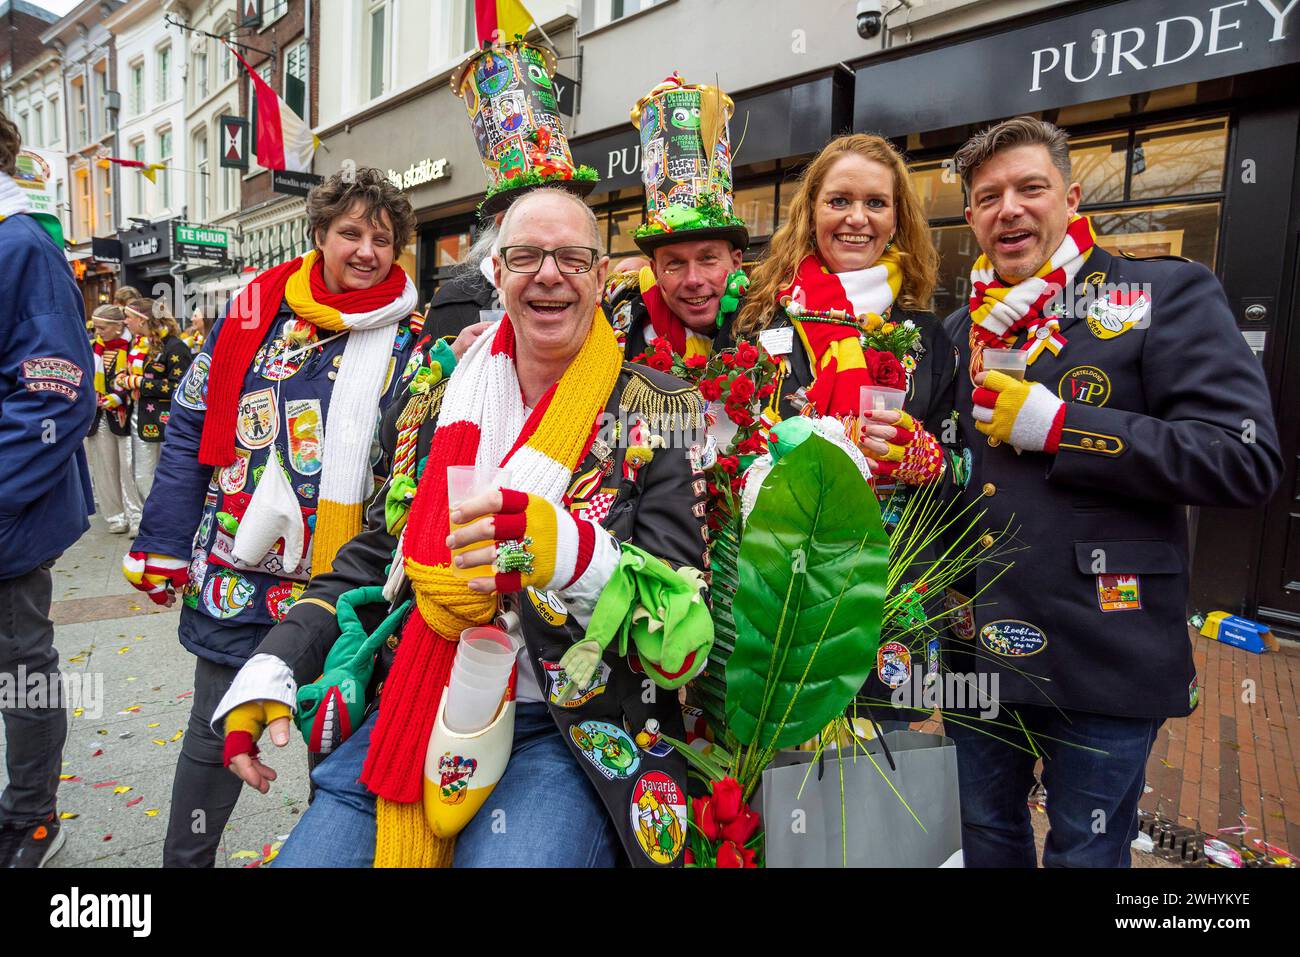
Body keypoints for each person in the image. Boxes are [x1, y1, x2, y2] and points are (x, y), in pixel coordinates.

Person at [215, 187, 710, 868]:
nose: (547, 273)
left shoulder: (663, 405)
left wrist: (565, 550)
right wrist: (274, 662)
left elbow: (684, 617)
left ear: (600, 278)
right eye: (526, 256)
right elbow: (377, 557)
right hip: (419, 703)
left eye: (571, 257)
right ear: (498, 274)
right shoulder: (440, 398)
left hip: (564, 730)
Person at [939, 116, 1283, 867]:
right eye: (989, 196)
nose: (1010, 209)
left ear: (1071, 195)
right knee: (987, 840)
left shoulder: (1163, 291)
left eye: (1031, 187)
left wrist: (1066, 426)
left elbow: (1243, 459)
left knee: (1085, 855)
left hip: (1105, 646)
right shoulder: (961, 325)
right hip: (975, 652)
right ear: (971, 217)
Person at [121, 167, 423, 867]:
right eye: (350, 232)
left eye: (382, 237)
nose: (367, 250)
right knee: (212, 733)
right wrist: (162, 538)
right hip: (240, 571)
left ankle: (324, 851)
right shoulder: (253, 313)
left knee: (334, 735)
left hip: (342, 584)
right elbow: (192, 423)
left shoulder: (412, 339)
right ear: (319, 234)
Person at [733, 133, 956, 728]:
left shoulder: (929, 337)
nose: (857, 218)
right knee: (778, 780)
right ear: (811, 213)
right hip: (783, 594)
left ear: (896, 218)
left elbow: (968, 471)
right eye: (839, 201)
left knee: (880, 786)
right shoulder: (762, 322)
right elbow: (721, 446)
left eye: (876, 203)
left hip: (892, 595)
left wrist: (926, 456)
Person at [0, 109, 96, 867]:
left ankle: (32, 820)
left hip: (7, 513)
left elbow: (56, 395)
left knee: (20, 669)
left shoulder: (20, 245)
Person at [605, 73, 750, 363]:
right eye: (674, 264)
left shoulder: (772, 330)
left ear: (736, 262)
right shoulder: (615, 335)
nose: (693, 280)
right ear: (655, 270)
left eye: (708, 258)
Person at [118, 298, 192, 521]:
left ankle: (169, 517)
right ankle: (154, 517)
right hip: (141, 415)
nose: (125, 321)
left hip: (168, 420)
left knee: (169, 471)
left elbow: (180, 388)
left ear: (142, 320)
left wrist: (136, 382)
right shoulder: (139, 346)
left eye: (128, 317)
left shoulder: (175, 346)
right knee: (142, 472)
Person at [85, 304, 141, 534]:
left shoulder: (134, 347)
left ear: (118, 327)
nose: (98, 333)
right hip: (99, 415)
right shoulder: (93, 348)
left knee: (129, 467)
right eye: (96, 328)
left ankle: (136, 515)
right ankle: (115, 516)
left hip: (125, 414)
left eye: (103, 328)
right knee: (104, 467)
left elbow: (137, 379)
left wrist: (119, 397)